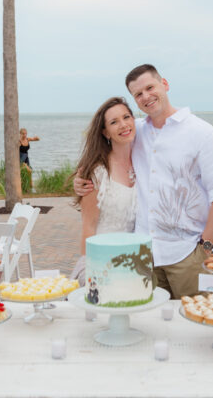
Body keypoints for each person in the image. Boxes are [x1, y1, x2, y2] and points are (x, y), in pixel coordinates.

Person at [74, 64, 213, 298]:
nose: (146, 96)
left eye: (150, 87)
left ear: (165, 84)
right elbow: (107, 152)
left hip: (188, 255)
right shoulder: (136, 131)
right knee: (151, 325)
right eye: (138, 94)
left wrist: (206, 248)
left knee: (198, 324)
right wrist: (80, 181)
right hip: (144, 258)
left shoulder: (203, 134)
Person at [70, 97, 137, 285]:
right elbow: (88, 226)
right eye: (114, 122)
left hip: (134, 262)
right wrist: (91, 268)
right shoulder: (96, 173)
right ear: (106, 133)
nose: (123, 125)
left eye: (126, 117)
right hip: (103, 261)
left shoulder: (143, 163)